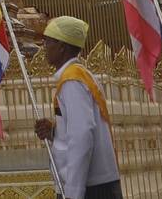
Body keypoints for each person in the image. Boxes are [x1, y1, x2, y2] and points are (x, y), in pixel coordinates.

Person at [32, 15, 120, 199]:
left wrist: (73, 193)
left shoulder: (72, 80)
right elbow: (77, 130)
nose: (44, 48)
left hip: (89, 188)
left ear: (62, 46)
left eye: (48, 42)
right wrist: (54, 132)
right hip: (94, 184)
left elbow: (82, 137)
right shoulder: (79, 76)